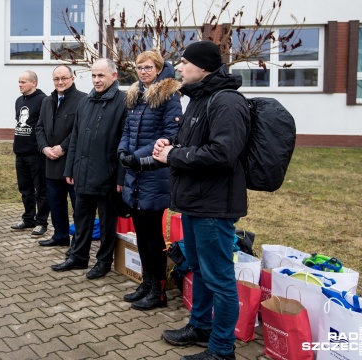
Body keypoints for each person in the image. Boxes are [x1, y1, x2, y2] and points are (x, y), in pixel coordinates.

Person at [153, 41, 249, 360]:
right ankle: (200, 327)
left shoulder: (227, 102)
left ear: (203, 67)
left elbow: (223, 153)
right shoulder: (198, 99)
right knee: (198, 268)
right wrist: (171, 145)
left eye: (183, 62)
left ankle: (222, 350)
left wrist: (175, 154)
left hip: (214, 206)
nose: (178, 68)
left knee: (219, 277)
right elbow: (191, 143)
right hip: (194, 204)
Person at [117, 50, 182, 310]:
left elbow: (170, 134)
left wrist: (136, 156)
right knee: (141, 233)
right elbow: (126, 130)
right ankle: (146, 282)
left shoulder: (169, 95)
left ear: (158, 68)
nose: (143, 71)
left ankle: (159, 291)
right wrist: (122, 151)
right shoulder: (135, 95)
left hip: (154, 174)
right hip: (135, 173)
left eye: (148, 67)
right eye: (139, 67)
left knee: (153, 235)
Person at [51, 59, 127, 279]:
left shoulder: (123, 102)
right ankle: (78, 256)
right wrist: (70, 169)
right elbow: (75, 138)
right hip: (82, 172)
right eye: (93, 75)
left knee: (106, 223)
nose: (96, 80)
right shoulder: (85, 102)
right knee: (82, 218)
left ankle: (104, 262)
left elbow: (125, 142)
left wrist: (120, 177)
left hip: (107, 175)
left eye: (101, 75)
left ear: (114, 76)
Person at [35, 65, 86, 247]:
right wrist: (44, 148)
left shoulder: (83, 100)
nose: (60, 82)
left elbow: (80, 130)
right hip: (51, 161)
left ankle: (79, 241)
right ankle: (60, 236)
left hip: (71, 163)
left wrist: (63, 147)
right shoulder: (47, 101)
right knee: (56, 203)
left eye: (64, 78)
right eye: (56, 79)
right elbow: (39, 127)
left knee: (77, 205)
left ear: (72, 78)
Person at [10, 71, 49, 236]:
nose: (20, 85)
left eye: (23, 82)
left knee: (41, 190)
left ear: (34, 83)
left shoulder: (43, 100)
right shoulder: (19, 100)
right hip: (20, 153)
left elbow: (45, 126)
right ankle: (28, 218)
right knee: (25, 189)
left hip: (36, 154)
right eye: (19, 82)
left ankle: (41, 222)